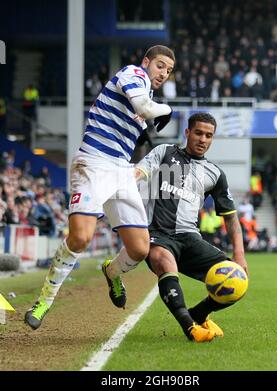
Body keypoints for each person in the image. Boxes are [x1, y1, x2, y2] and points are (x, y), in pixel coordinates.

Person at [24, 45, 175, 330]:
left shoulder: (148, 94)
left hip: (122, 170)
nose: (164, 73)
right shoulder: (133, 74)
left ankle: (112, 271)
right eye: (160, 65)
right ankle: (44, 300)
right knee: (81, 238)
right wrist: (167, 109)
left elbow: (139, 118)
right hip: (93, 162)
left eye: (168, 70)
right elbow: (144, 108)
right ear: (146, 62)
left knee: (141, 248)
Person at [130, 112, 248, 342]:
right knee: (164, 262)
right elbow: (140, 172)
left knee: (239, 280)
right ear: (187, 132)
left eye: (209, 135)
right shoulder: (165, 152)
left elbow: (231, 218)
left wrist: (240, 255)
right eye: (198, 133)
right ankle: (190, 328)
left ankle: (198, 314)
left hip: (190, 239)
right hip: (158, 234)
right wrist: (127, 182)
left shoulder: (215, 173)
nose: (203, 139)